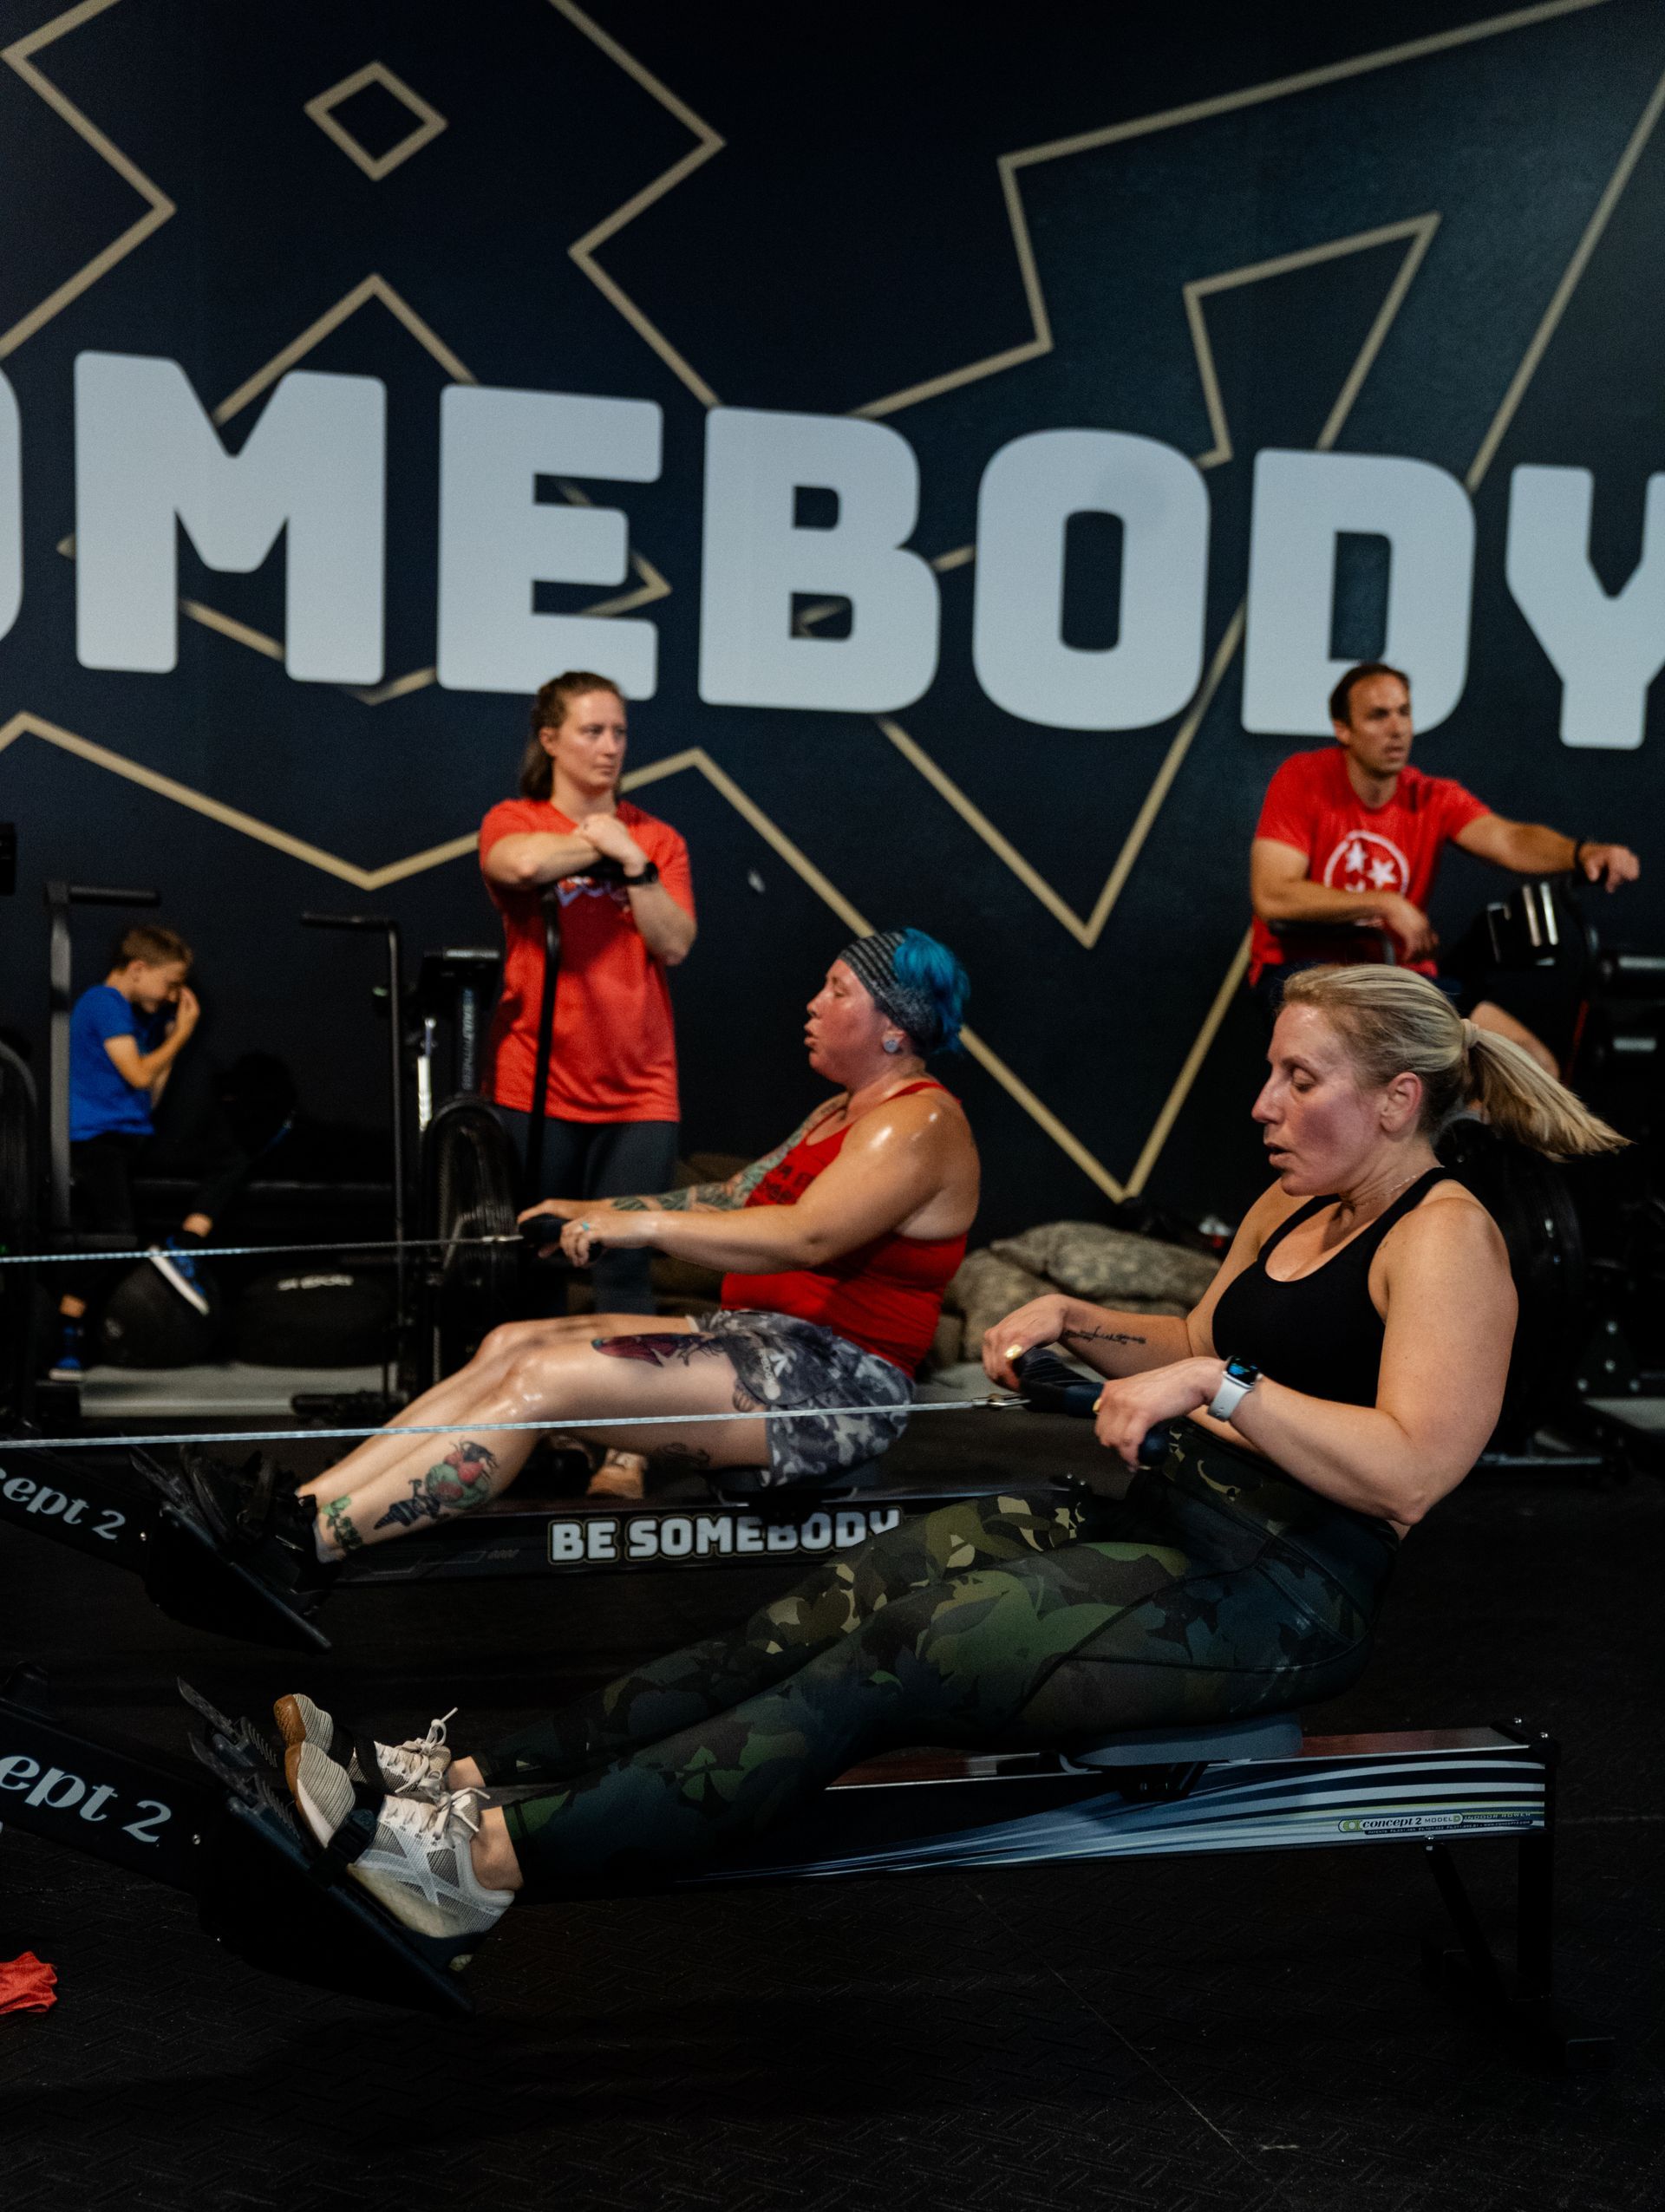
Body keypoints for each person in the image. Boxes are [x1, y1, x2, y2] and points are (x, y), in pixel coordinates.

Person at [269, 964, 1624, 1952]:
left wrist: (1226, 1382)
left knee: (897, 1659)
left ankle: (485, 1869)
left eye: (1299, 1077)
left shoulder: (1449, 1239)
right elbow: (1199, 1335)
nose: (1264, 1100)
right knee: (833, 1602)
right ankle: (475, 1776)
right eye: (1270, 1068)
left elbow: (1405, 1470)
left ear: (1398, 1099)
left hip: (1286, 1596)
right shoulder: (1296, 1197)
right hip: (1172, 1524)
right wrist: (1090, 1325)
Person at [160, 928, 977, 1597]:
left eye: (837, 990)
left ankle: (308, 1551)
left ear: (894, 1025)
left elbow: (806, 1237)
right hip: (767, 1344)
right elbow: (734, 1196)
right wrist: (592, 1214)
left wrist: (644, 1228)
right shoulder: (843, 1110)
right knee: (512, 1342)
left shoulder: (916, 1123)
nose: (813, 1002)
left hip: (834, 1386)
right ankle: (292, 1511)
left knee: (541, 1390)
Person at [1248, 663, 1642, 1071]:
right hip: (1305, 976)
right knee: (1384, 1064)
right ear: (1343, 730)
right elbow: (1274, 893)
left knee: (1533, 1067)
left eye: (1404, 712)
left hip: (1401, 982)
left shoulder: (1431, 796)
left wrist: (1581, 853)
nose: (1398, 728)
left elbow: (1509, 838)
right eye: (1378, 716)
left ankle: (1456, 1134)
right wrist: (1384, 903)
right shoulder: (1303, 778)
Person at [480, 669, 696, 1319]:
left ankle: (626, 1418)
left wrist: (632, 862)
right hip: (537, 1082)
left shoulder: (655, 840)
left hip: (639, 1090)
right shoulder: (515, 820)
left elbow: (675, 941)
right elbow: (516, 865)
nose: (610, 746)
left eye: (619, 732)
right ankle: (534, 1416)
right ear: (550, 738)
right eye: (592, 731)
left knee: (623, 1259)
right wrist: (592, 840)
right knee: (537, 1254)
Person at [51, 924, 227, 1380]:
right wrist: (182, 1034)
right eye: (170, 984)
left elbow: (147, 1090)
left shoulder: (134, 1019)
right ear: (137, 969)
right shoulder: (104, 1003)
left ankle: (181, 1247)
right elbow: (136, 1074)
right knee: (114, 1233)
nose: (173, 996)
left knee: (229, 1158)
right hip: (97, 1142)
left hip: (132, 1137)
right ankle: (68, 1326)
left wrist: (165, 1037)